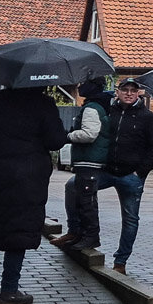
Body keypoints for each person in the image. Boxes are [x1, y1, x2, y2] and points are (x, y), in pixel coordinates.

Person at [0, 85, 68, 304]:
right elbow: (56, 141)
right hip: (29, 176)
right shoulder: (43, 103)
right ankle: (9, 289)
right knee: (20, 227)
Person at [101, 79, 153, 275]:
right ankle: (77, 233)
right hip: (107, 171)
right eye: (125, 90)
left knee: (130, 219)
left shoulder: (148, 117)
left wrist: (140, 172)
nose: (129, 93)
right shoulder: (109, 112)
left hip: (131, 176)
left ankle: (121, 261)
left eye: (133, 90)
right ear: (117, 92)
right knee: (73, 187)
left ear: (138, 94)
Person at [55, 79, 110, 250]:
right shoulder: (98, 105)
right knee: (83, 199)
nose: (79, 88)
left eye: (83, 84)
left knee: (86, 202)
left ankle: (90, 237)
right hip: (89, 161)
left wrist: (69, 135)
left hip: (89, 161)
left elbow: (89, 134)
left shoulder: (92, 108)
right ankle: (82, 235)